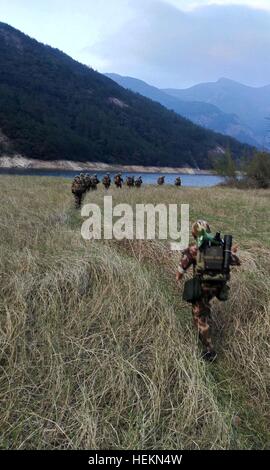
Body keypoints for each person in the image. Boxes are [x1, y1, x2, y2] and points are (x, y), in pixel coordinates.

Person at [176, 220, 240, 362]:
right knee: (205, 305)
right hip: (216, 287)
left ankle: (209, 351)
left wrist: (178, 277)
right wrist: (231, 252)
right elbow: (236, 261)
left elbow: (181, 269)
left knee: (199, 319)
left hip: (202, 287)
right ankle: (206, 315)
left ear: (194, 233)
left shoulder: (193, 249)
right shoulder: (221, 247)